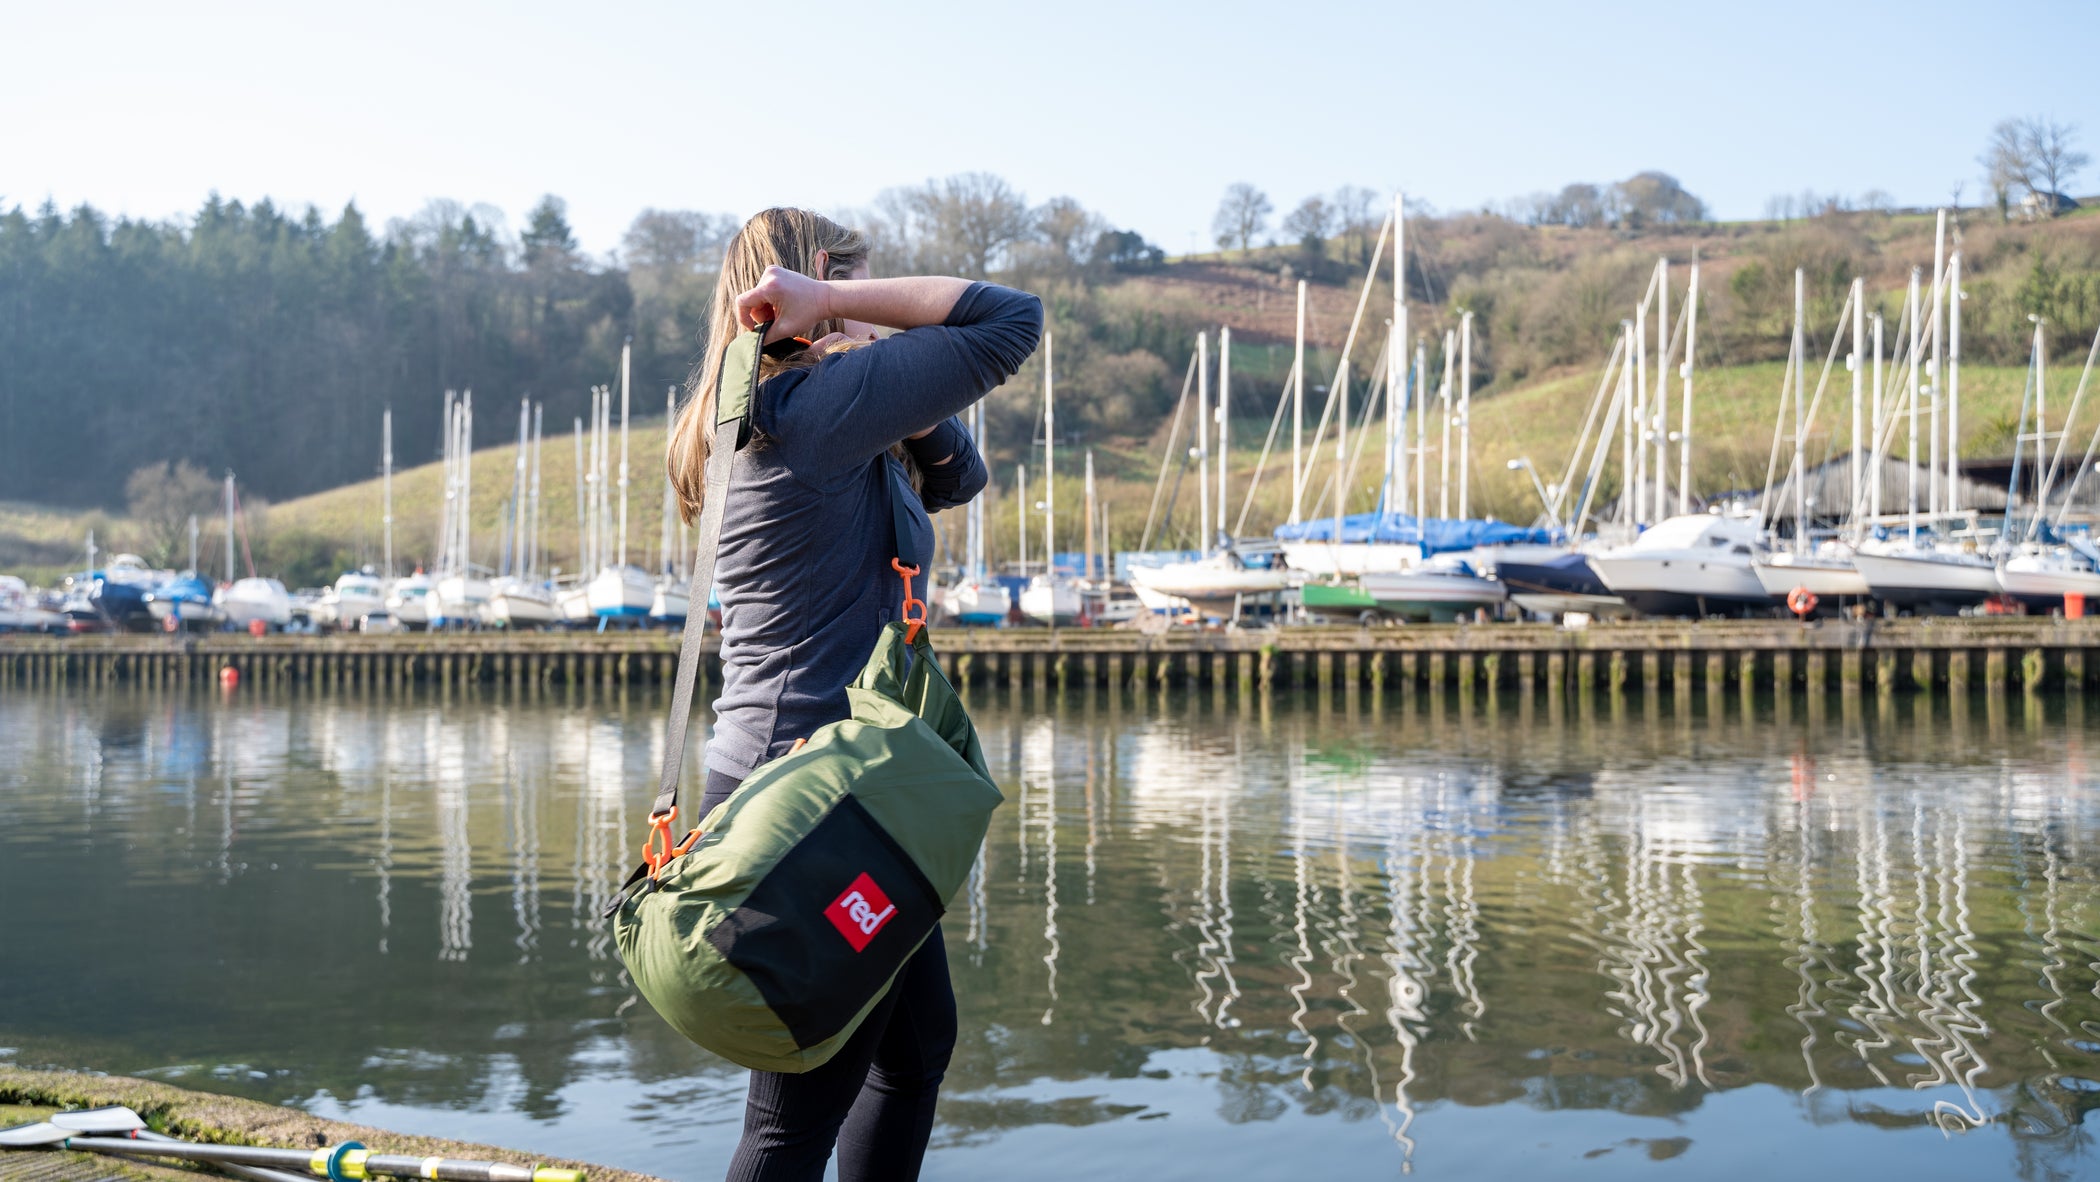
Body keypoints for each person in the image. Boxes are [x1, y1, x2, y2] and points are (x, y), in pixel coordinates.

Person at [665, 207, 1041, 1181]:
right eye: (852, 282)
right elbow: (1012, 319)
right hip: (812, 804)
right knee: (795, 1116)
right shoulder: (812, 411)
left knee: (912, 1053)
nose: (873, 305)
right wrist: (845, 308)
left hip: (838, 787)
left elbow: (959, 478)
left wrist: (877, 362)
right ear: (809, 285)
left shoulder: (790, 412)